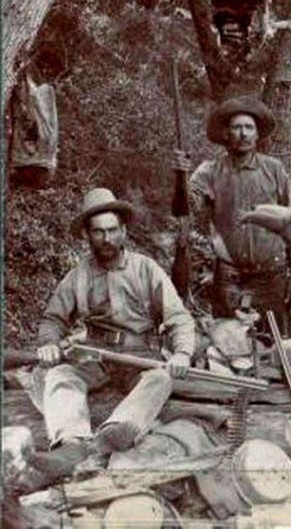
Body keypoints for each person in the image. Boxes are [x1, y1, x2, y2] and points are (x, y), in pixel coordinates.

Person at [28, 188, 196, 480]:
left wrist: (182, 353)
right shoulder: (78, 275)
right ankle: (71, 444)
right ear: (87, 235)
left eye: (112, 230)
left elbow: (178, 318)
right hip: (95, 357)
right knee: (59, 375)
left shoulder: (146, 269)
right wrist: (48, 343)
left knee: (161, 378)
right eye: (98, 232)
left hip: (141, 356)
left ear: (124, 231)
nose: (107, 239)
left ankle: (116, 432)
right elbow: (53, 318)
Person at [173, 96, 291, 333]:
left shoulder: (274, 170)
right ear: (226, 134)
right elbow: (184, 209)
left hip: (272, 278)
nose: (243, 133)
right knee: (226, 350)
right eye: (236, 127)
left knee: (275, 350)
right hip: (229, 281)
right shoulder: (209, 171)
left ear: (257, 135)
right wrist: (180, 177)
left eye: (249, 128)